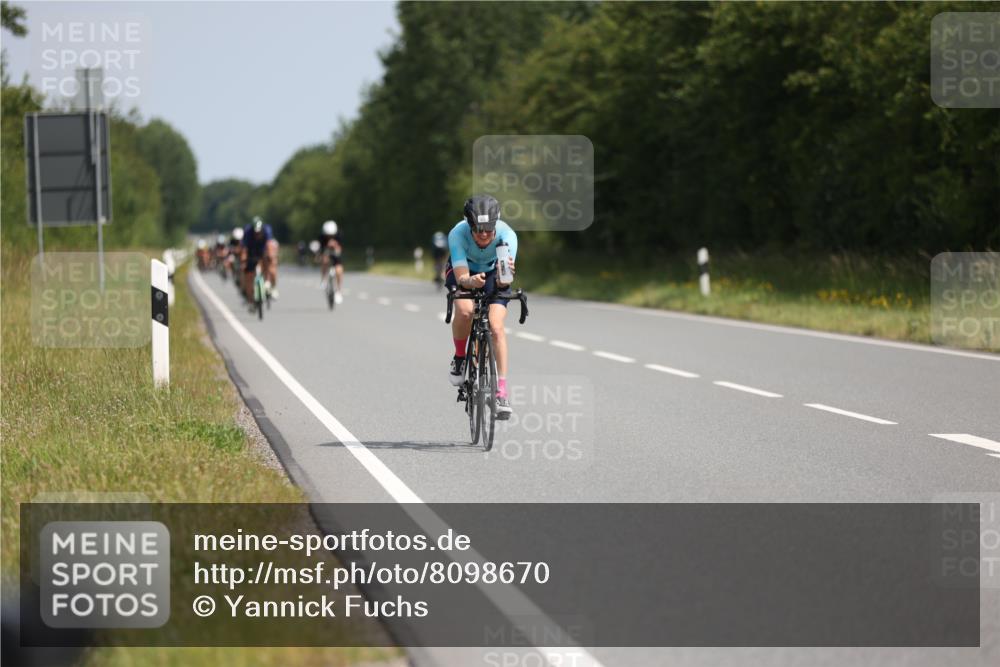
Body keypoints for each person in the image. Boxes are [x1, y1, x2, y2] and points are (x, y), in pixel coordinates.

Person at [446, 194, 517, 419]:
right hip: (463, 271)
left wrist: (503, 277)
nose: (484, 234)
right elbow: (462, 276)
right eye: (478, 230)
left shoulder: (507, 236)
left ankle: (501, 393)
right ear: (469, 225)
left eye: (488, 229)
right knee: (466, 311)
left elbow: (505, 280)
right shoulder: (457, 234)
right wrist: (469, 282)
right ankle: (459, 358)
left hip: (492, 273)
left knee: (496, 327)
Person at [241, 216, 279, 307]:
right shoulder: (248, 232)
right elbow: (244, 248)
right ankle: (250, 298)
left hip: (263, 250)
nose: (257, 234)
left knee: (271, 265)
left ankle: (271, 285)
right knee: (248, 274)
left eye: (259, 232)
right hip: (252, 251)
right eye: (256, 232)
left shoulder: (267, 230)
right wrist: (244, 257)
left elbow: (269, 245)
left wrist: (271, 256)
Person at [318, 220, 344, 304]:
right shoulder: (321, 237)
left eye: (331, 235)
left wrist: (335, 245)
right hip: (326, 252)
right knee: (324, 260)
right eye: (327, 235)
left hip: (336, 253)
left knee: (339, 270)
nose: (329, 237)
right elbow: (320, 250)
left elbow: (340, 250)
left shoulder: (339, 235)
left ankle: (338, 291)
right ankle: (324, 279)